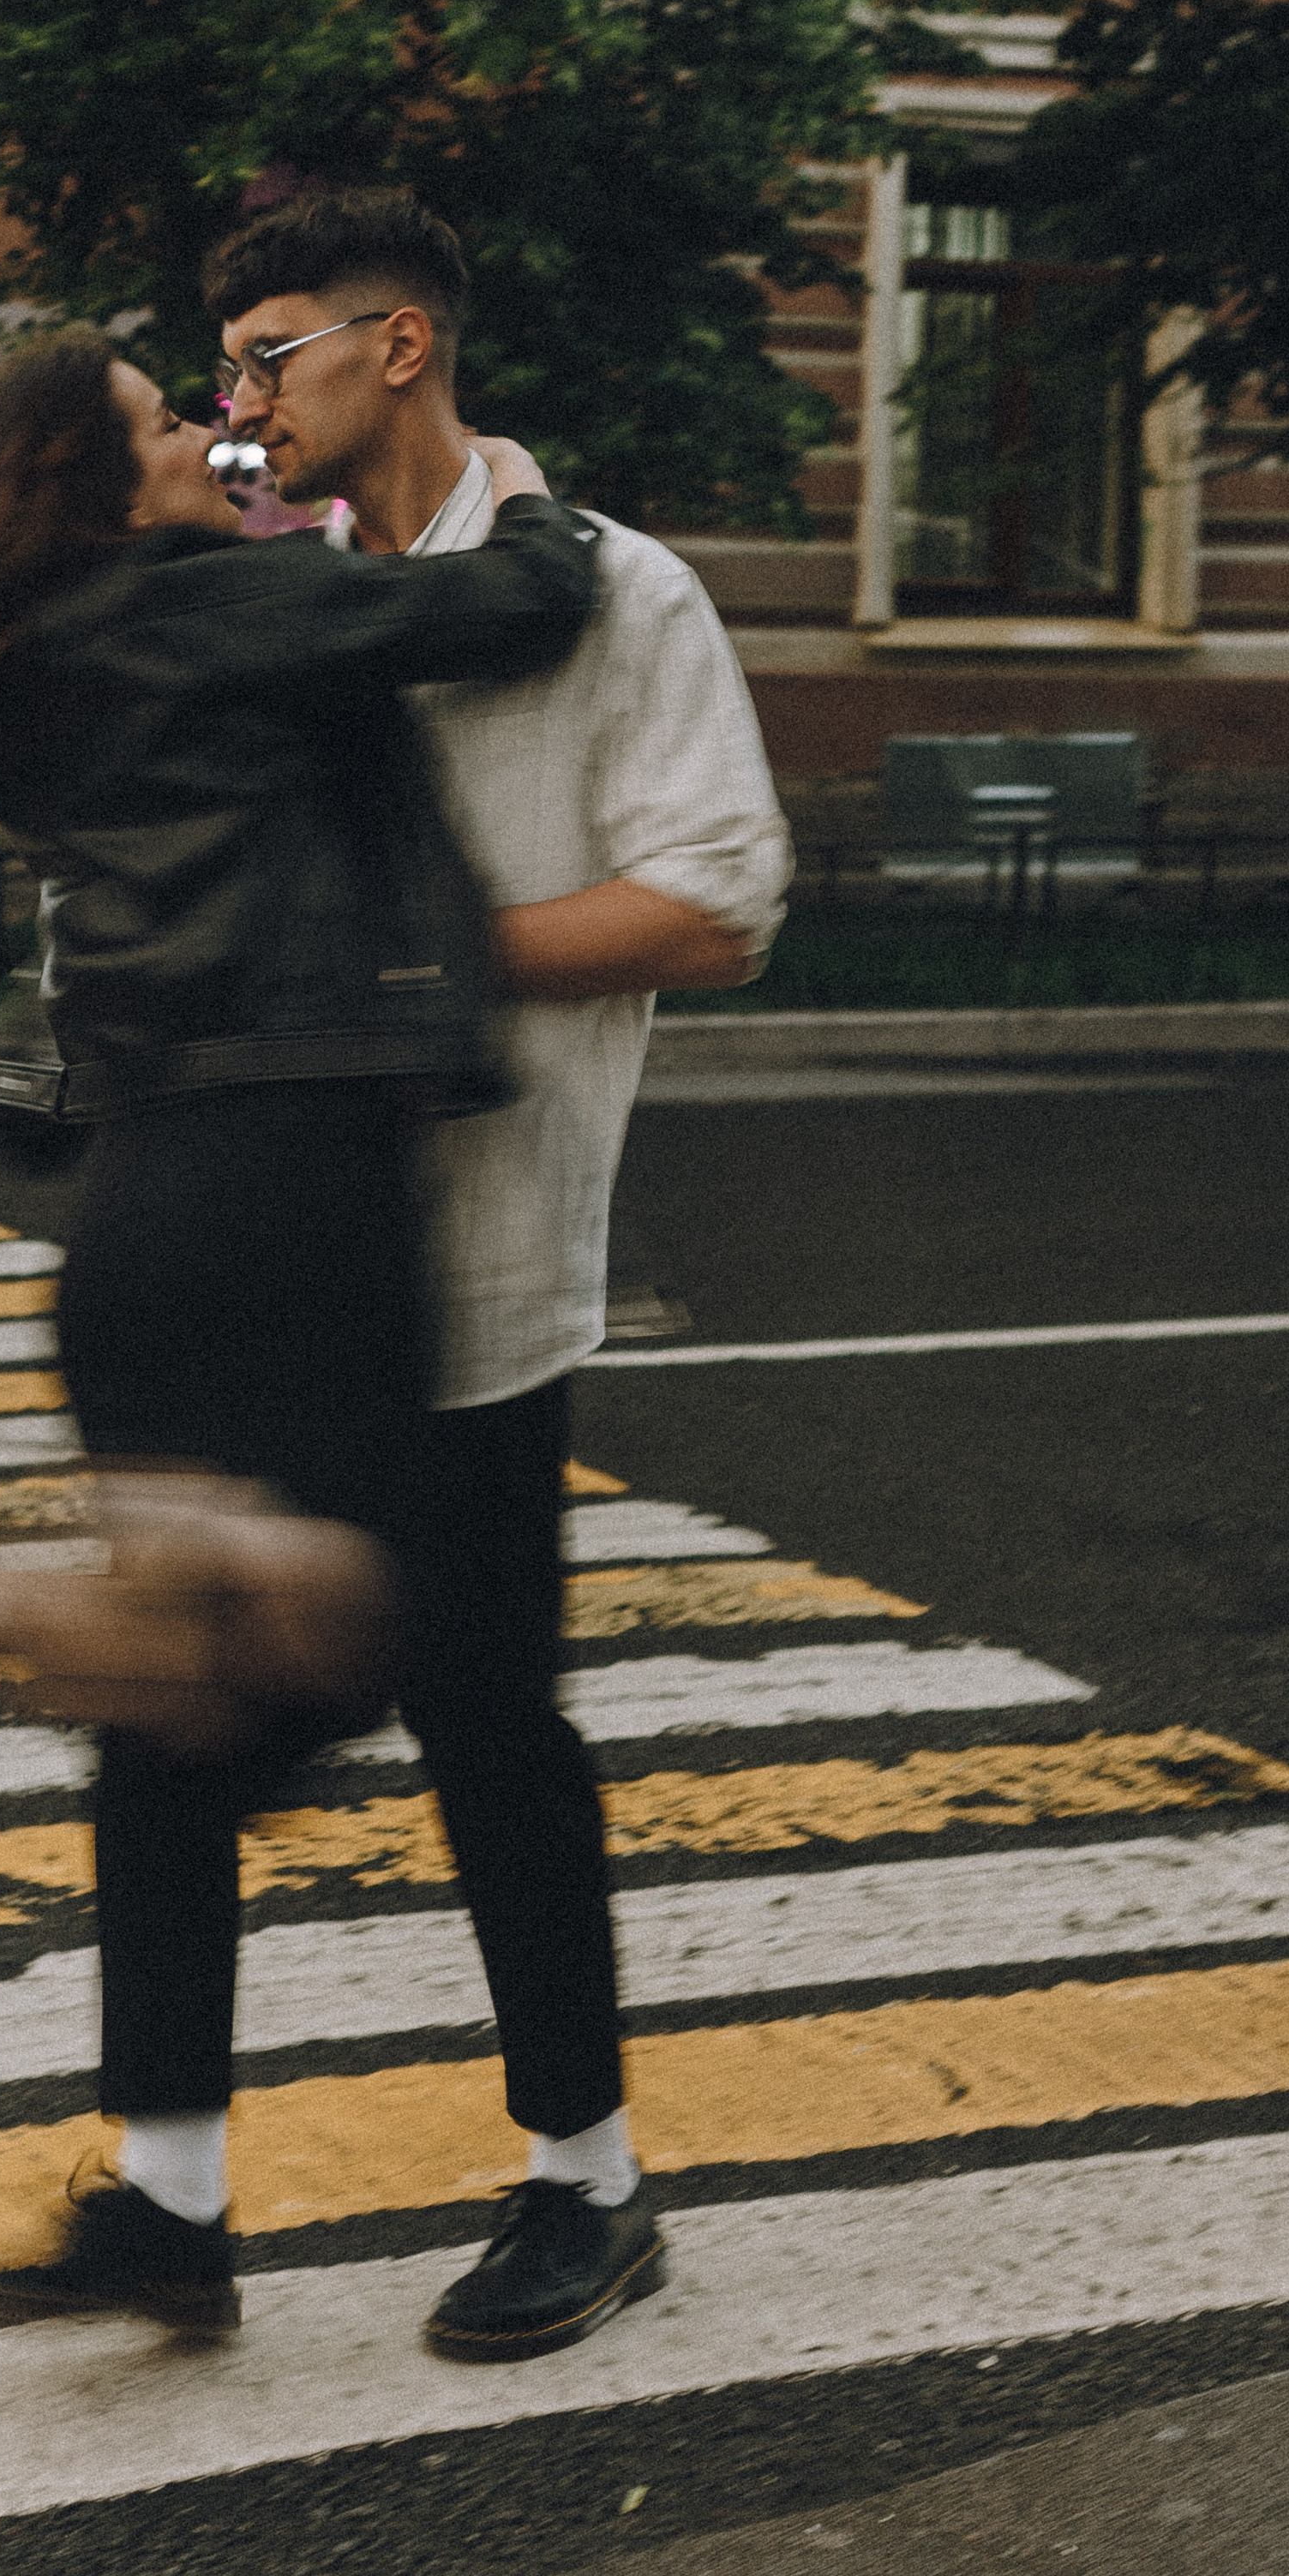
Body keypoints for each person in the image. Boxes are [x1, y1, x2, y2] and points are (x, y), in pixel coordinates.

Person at [0, 321, 601, 2335]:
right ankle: (210, 1609)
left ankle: (168, 2196)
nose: (213, 437)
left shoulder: (30, 671)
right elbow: (516, 603)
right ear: (106, 485)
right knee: (384, 1638)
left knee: (162, 1703)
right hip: (307, 1184)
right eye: (173, 426)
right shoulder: (216, 604)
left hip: (136, 1214)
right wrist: (506, 475)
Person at [201, 188, 792, 2361]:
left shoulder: (613, 595)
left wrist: (414, 980)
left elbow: (716, 898)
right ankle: (171, 2184)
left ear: (400, 344)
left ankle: (587, 2183)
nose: (240, 400)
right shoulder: (278, 606)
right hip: (271, 1254)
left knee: (477, 1716)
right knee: (224, 1695)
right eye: (232, 365)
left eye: (270, 353)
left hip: (472, 1268)